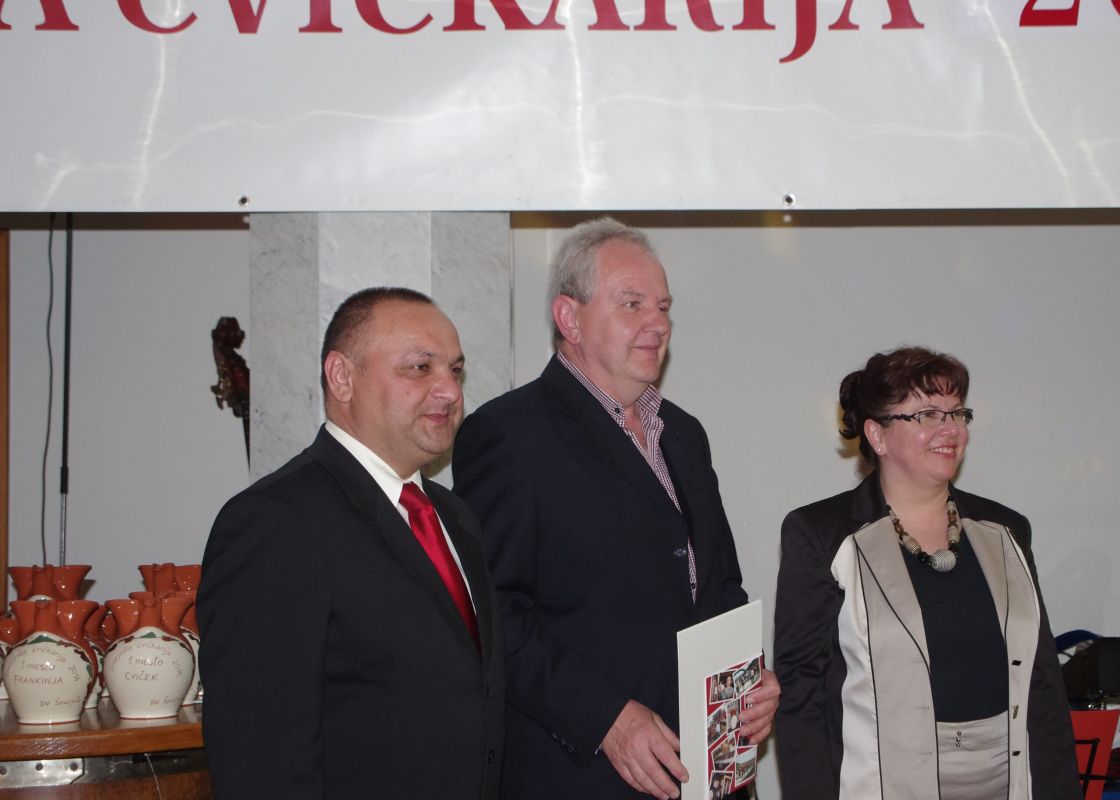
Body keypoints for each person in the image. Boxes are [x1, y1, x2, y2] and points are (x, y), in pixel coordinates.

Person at [451, 218, 780, 800]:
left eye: (663, 307)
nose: (659, 323)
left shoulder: (683, 434)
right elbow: (494, 614)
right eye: (632, 304)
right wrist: (606, 718)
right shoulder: (508, 435)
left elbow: (719, 586)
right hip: (585, 777)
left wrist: (748, 679)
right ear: (569, 318)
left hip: (710, 773)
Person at [198, 287, 504, 800]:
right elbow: (260, 759)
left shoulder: (455, 517)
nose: (450, 391)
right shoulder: (275, 522)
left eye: (455, 370)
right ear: (342, 377)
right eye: (419, 368)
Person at [773, 346, 1079, 800]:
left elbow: (1042, 680)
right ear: (877, 435)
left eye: (958, 413)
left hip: (1009, 783)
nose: (951, 429)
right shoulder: (822, 534)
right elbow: (802, 694)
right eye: (928, 415)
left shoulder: (1006, 530)